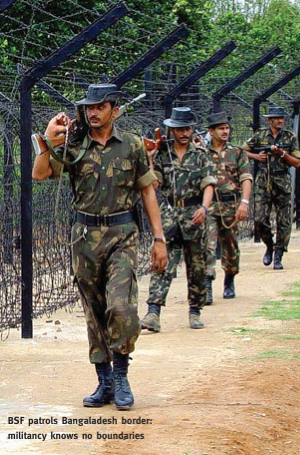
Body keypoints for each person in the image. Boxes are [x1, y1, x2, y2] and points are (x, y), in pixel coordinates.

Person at [32, 83, 168, 410]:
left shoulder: (132, 145)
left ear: (114, 110)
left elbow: (147, 190)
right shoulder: (74, 144)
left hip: (123, 234)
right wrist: (48, 140)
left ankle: (121, 374)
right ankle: (104, 380)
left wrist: (159, 239)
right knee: (94, 310)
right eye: (89, 107)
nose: (93, 112)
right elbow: (40, 174)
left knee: (121, 307)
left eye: (100, 107)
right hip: (84, 237)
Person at [141, 107, 215, 332]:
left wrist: (204, 207)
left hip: (194, 214)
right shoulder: (163, 154)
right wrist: (150, 159)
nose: (184, 133)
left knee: (197, 265)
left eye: (187, 129)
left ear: (192, 129)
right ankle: (153, 312)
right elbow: (154, 184)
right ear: (172, 131)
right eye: (179, 129)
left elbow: (208, 183)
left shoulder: (200, 155)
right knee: (162, 262)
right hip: (170, 215)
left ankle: (195, 310)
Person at [243, 106, 300, 270]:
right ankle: (269, 244)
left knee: (284, 221)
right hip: (264, 181)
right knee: (259, 218)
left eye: (281, 118)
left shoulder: (290, 137)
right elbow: (240, 151)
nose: (280, 121)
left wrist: (282, 154)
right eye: (276, 118)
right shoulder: (260, 135)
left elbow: (297, 162)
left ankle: (279, 254)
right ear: (270, 120)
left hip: (282, 181)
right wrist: (256, 156)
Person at [204, 112, 252, 303]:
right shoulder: (201, 153)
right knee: (207, 244)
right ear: (211, 131)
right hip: (208, 206)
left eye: (227, 128)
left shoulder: (237, 152)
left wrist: (244, 202)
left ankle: (229, 278)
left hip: (230, 205)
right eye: (221, 128)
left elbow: (246, 178)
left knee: (230, 245)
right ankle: (207, 284)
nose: (225, 131)